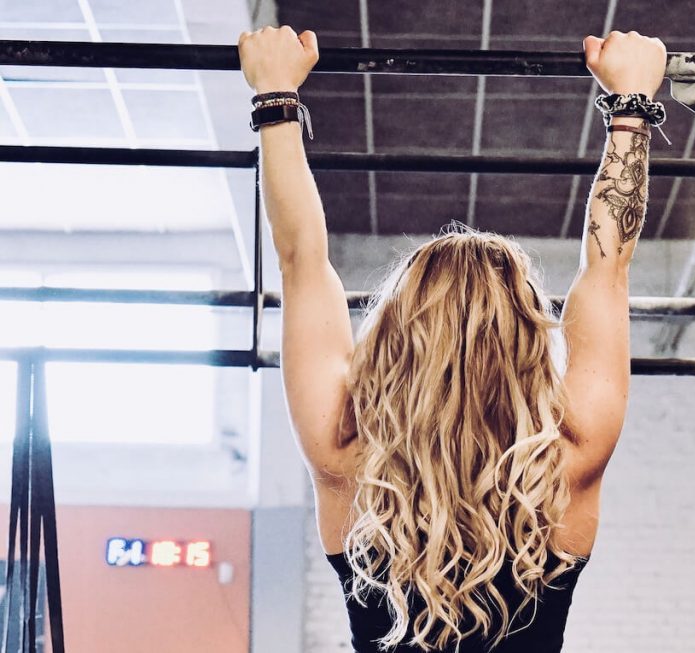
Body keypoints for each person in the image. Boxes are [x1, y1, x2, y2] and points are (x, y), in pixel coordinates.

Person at [238, 25, 667, 653]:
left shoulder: (345, 453)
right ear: (526, 339)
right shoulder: (572, 455)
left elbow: (301, 259)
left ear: (396, 332)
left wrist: (275, 97)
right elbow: (608, 268)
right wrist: (630, 106)